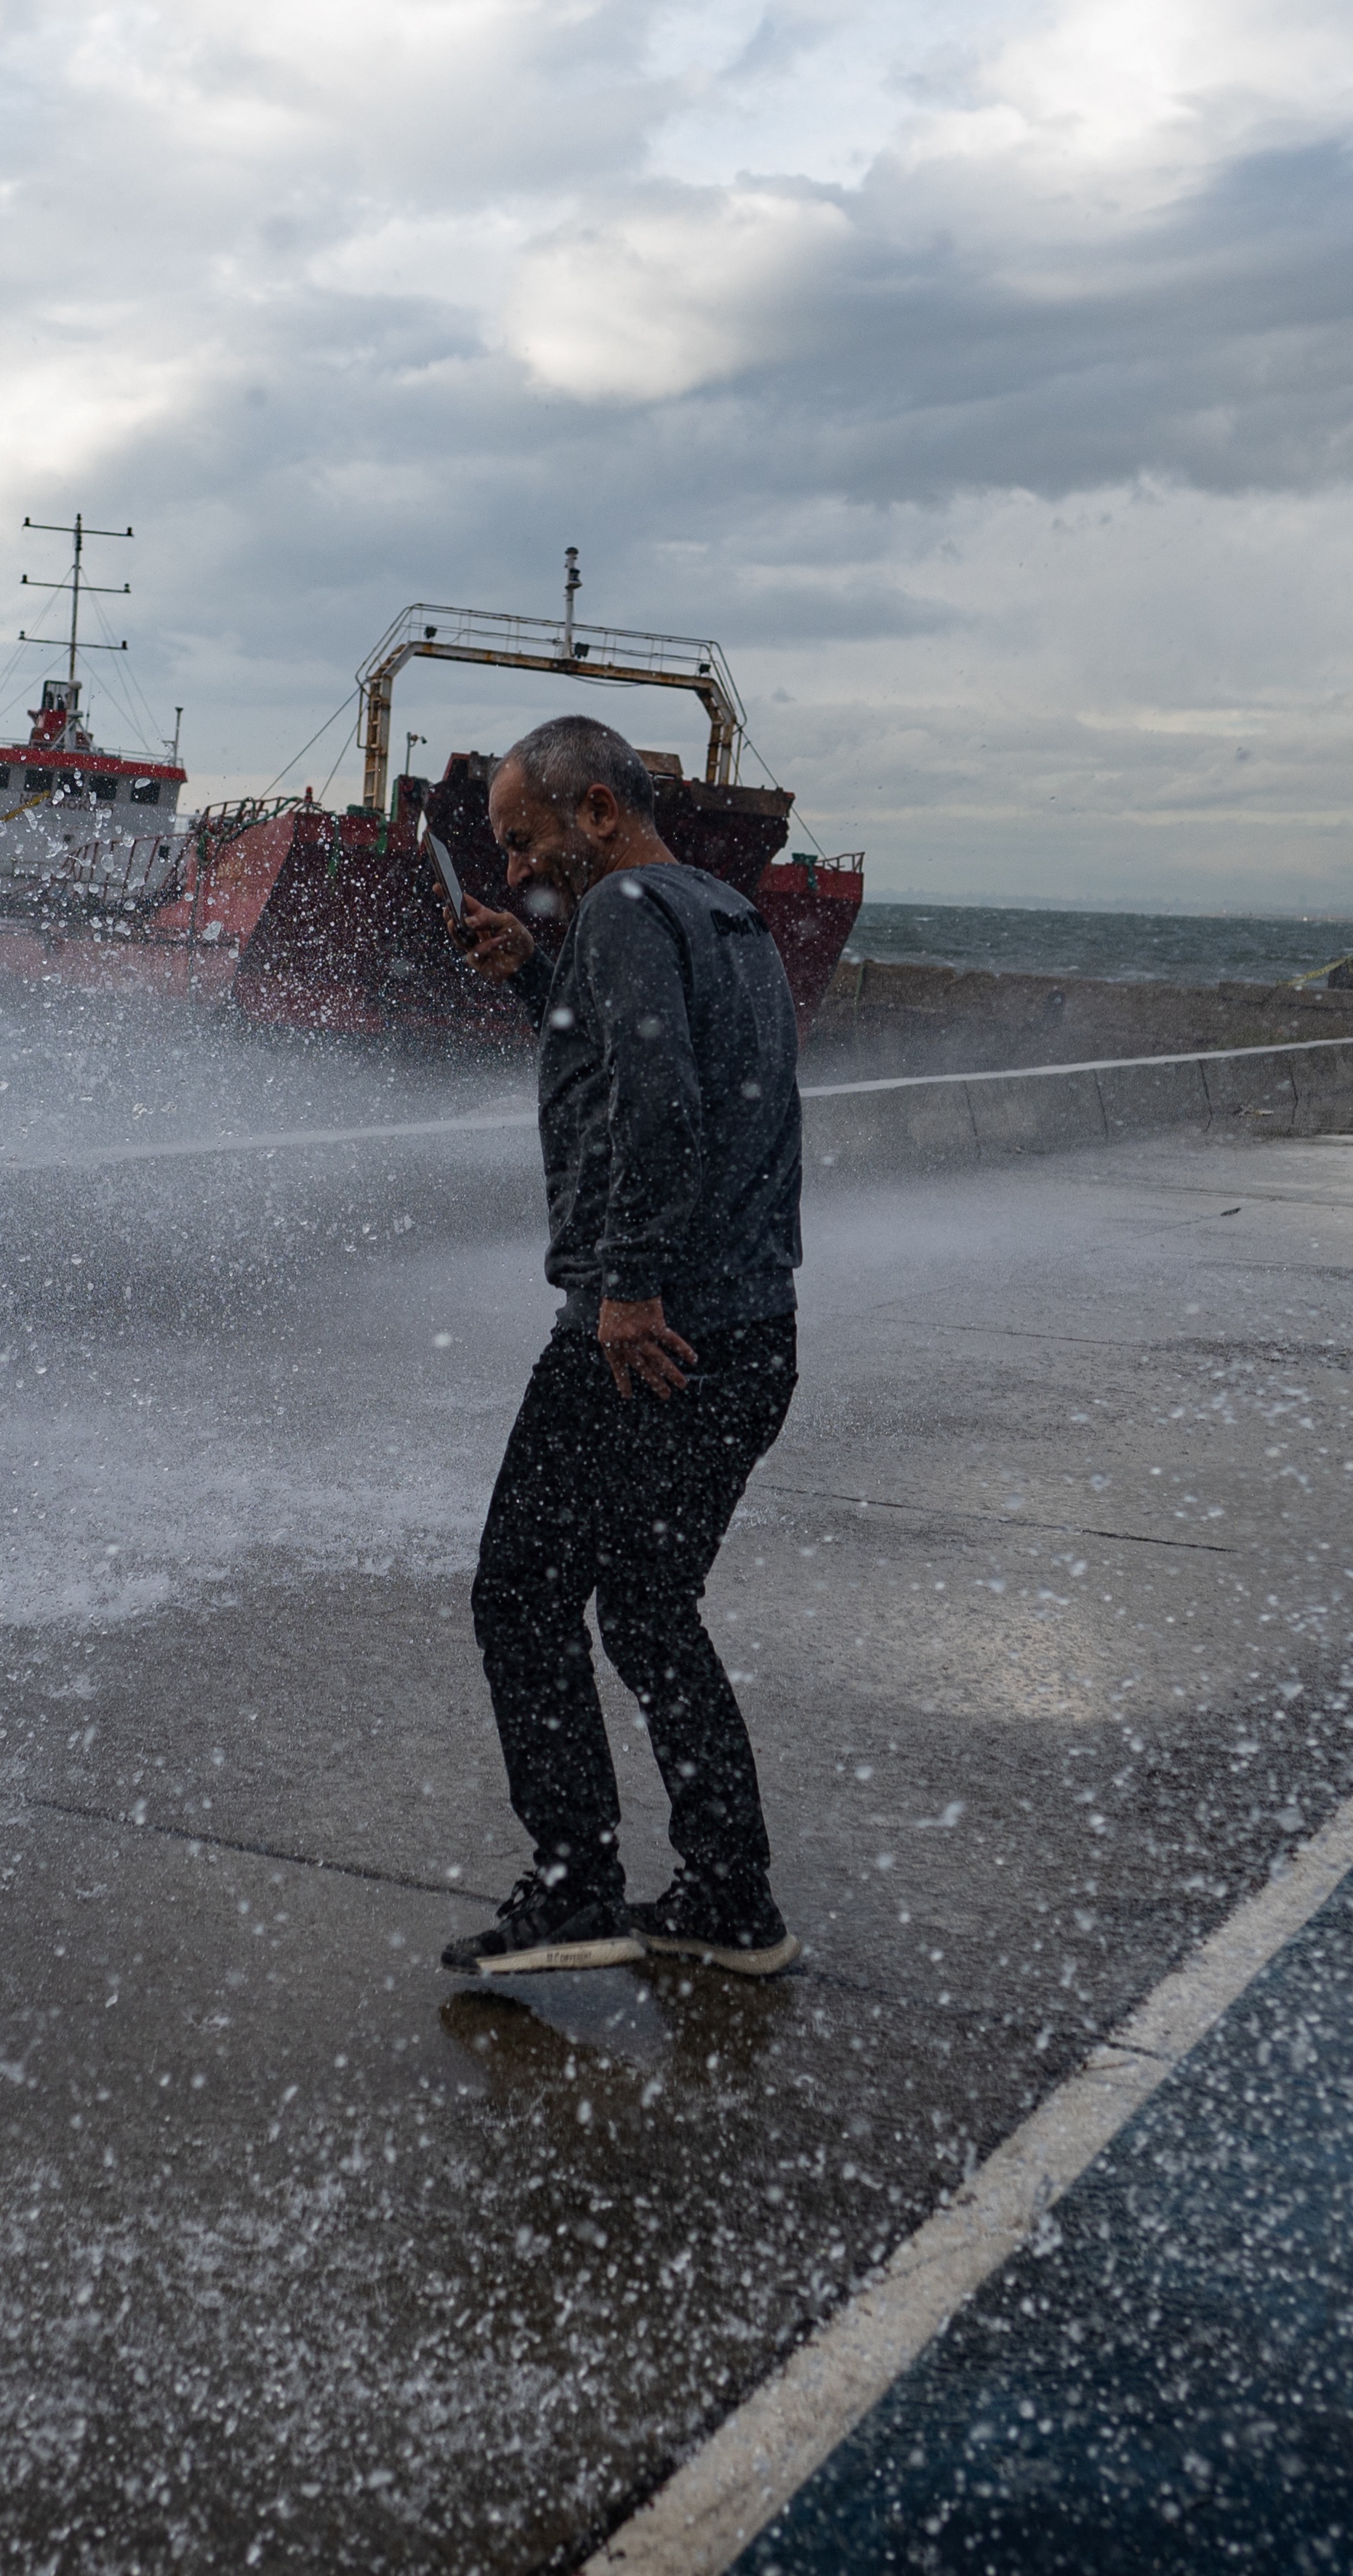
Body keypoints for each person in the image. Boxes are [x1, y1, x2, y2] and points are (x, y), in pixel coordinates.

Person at [435, 715, 806, 1979]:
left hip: (645, 1334)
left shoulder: (621, 909)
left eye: (521, 834)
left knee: (521, 1591)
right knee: (646, 1607)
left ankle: (577, 1881)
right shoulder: (718, 913)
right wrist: (535, 976)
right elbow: (667, 1055)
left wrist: (632, 1287)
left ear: (596, 810)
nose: (513, 862)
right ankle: (729, 1895)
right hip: (754, 1334)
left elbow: (660, 1100)